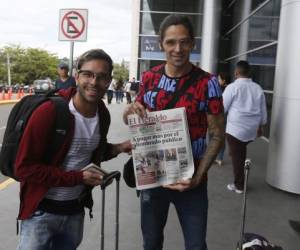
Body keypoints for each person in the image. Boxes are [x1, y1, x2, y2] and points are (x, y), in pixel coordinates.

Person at [123, 14, 225, 250]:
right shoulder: (149, 79)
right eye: (171, 42)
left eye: (184, 41)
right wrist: (129, 111)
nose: (177, 48)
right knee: (151, 243)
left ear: (192, 44)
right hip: (153, 178)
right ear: (161, 44)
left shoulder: (207, 83)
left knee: (196, 246)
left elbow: (218, 135)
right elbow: (134, 118)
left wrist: (198, 178)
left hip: (191, 180)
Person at [15, 49, 132, 250]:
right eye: (88, 74)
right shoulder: (50, 112)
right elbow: (23, 168)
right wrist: (78, 178)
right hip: (40, 214)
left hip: (74, 212)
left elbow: (91, 152)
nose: (94, 82)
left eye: (102, 77)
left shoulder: (102, 114)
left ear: (109, 81)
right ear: (77, 76)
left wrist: (121, 147)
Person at [223, 60, 267, 194]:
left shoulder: (232, 87)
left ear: (236, 72)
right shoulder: (258, 88)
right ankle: (235, 153)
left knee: (238, 157)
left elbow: (222, 107)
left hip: (236, 129)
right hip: (251, 129)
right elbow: (263, 111)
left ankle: (239, 186)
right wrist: (260, 126)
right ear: (249, 73)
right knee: (239, 151)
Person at [213, 71, 230, 166]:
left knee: (218, 137)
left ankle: (219, 158)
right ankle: (217, 158)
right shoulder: (218, 88)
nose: (217, 80)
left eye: (219, 79)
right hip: (219, 116)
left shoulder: (227, 90)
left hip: (222, 117)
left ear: (223, 80)